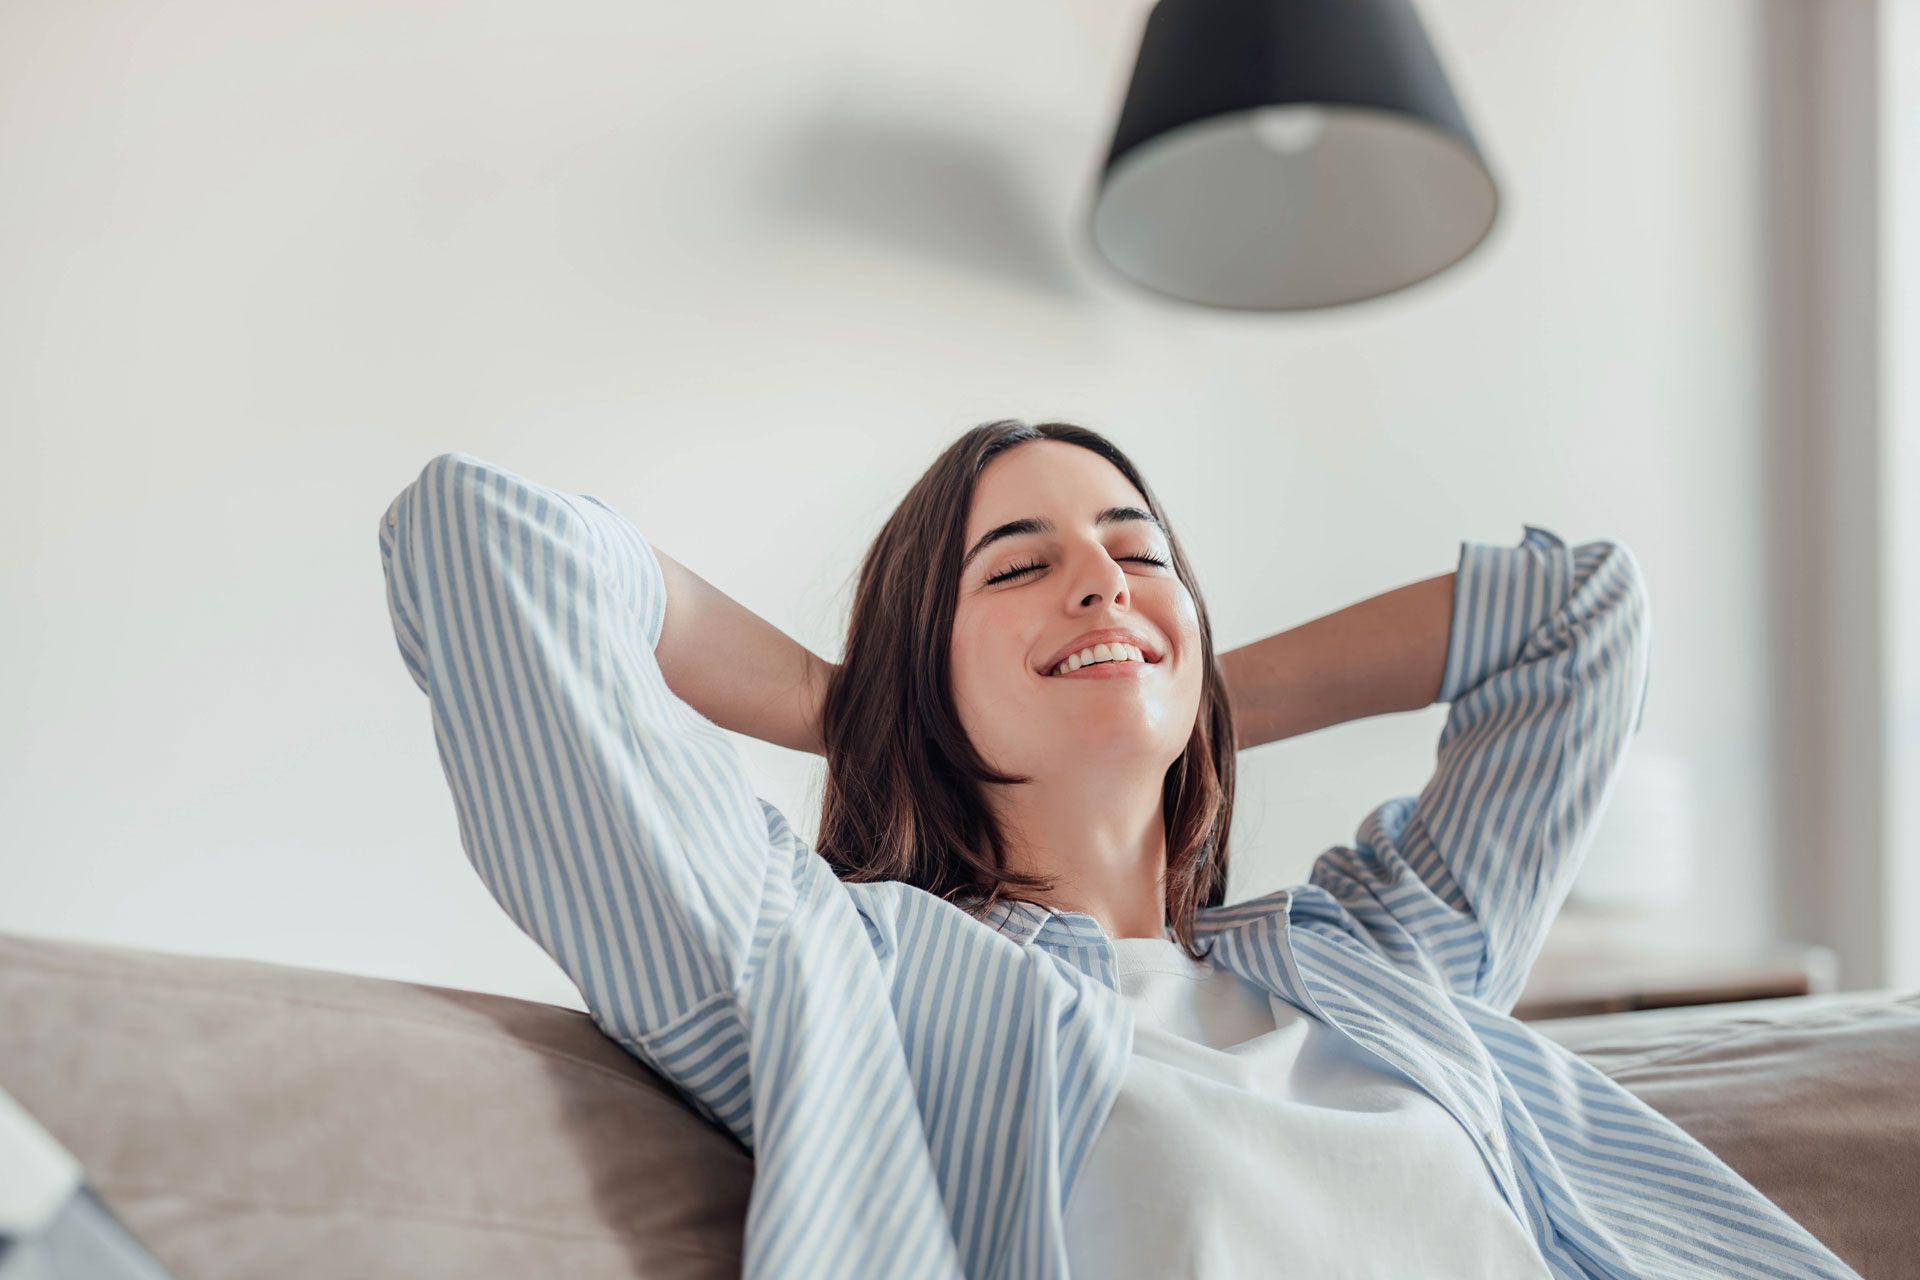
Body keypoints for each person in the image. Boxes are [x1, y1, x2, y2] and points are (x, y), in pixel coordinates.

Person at [376, 421, 1862, 1280]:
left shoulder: (1376, 959)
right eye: (1017, 567)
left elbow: (1578, 615)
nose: (1099, 575)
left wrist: (1178, 694)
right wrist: (865, 713)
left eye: (1141, 554)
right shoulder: (835, 971)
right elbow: (484, 541)